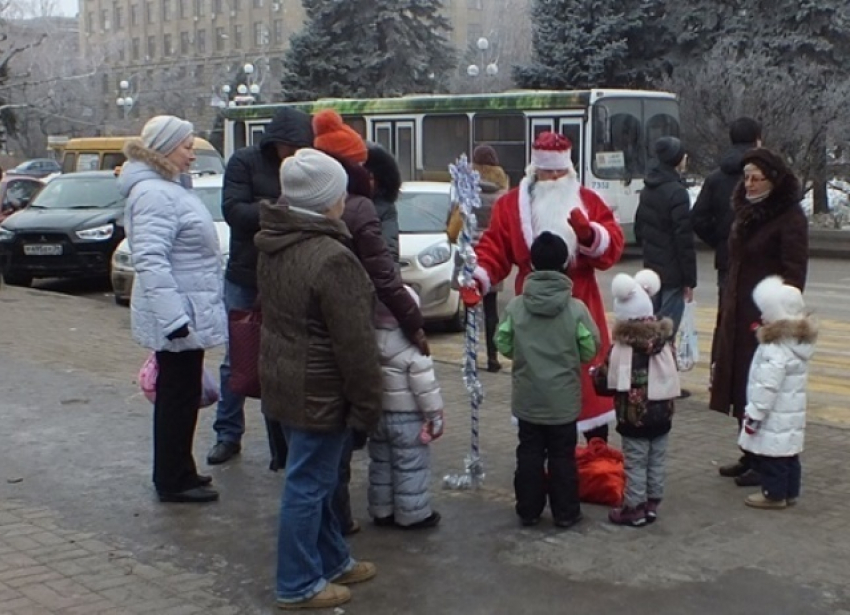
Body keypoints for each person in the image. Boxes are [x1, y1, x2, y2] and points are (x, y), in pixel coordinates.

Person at [256, 148, 382, 610]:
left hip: (286, 380)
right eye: (340, 192)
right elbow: (355, 343)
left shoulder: (275, 240)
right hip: (320, 389)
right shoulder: (332, 258)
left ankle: (331, 559)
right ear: (329, 200)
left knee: (319, 480)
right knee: (308, 485)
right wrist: (369, 404)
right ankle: (298, 582)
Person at [312, 108, 429, 535]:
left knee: (330, 446)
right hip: (351, 327)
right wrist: (413, 322)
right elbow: (384, 272)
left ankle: (346, 519)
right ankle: (331, 537)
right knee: (336, 443)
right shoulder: (359, 210)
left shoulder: (293, 209)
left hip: (313, 338)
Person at [471, 131, 625, 440]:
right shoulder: (510, 205)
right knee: (537, 381)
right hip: (532, 310)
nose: (554, 177)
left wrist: (590, 236)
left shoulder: (589, 201)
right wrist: (477, 277)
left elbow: (612, 249)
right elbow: (494, 248)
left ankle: (596, 454)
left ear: (569, 170)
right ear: (534, 169)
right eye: (547, 170)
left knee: (588, 380)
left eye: (559, 171)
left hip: (579, 306)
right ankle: (539, 458)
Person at [118, 115, 227, 503]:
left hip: (187, 310)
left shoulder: (168, 188)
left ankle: (181, 469)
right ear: (164, 149)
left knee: (182, 396)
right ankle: (171, 479)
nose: (191, 156)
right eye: (186, 147)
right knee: (175, 398)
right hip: (178, 316)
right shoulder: (154, 194)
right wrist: (175, 320)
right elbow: (150, 259)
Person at [209, 107, 314, 469]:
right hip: (245, 273)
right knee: (236, 360)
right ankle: (227, 433)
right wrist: (281, 210)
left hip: (287, 276)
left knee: (280, 361)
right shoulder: (244, 162)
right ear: (277, 143)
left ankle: (281, 446)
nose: (295, 154)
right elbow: (234, 212)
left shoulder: (304, 165)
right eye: (290, 147)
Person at [710, 147, 808, 487]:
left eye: (756, 178)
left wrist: (781, 315)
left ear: (773, 180)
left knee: (765, 386)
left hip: (766, 317)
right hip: (738, 311)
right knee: (742, 384)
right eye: (746, 177)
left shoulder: (789, 216)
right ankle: (750, 452)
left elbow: (795, 271)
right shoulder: (745, 211)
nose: (749, 184)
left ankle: (767, 463)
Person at [495, 232, 600, 528]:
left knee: (528, 453)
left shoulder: (516, 306)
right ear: (565, 265)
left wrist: (524, 355)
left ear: (532, 265)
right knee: (562, 457)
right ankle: (566, 513)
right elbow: (590, 347)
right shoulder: (576, 309)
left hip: (527, 399)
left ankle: (528, 511)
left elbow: (503, 342)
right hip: (563, 402)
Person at [592, 270, 679, 527]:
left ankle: (634, 507)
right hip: (663, 413)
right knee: (656, 460)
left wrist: (593, 375)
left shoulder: (621, 348)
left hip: (634, 416)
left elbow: (605, 382)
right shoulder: (664, 341)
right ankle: (652, 503)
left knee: (636, 463)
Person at [737, 276, 816, 510]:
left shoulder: (775, 348)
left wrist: (754, 414)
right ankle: (791, 492)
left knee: (773, 456)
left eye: (765, 312)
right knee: (790, 454)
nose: (761, 317)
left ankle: (773, 494)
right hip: (790, 413)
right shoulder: (797, 343)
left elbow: (766, 385)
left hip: (773, 414)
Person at [368, 288, 443, 530]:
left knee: (380, 464)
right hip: (408, 419)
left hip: (378, 416)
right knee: (410, 466)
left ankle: (382, 510)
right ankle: (412, 515)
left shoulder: (369, 340)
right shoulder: (414, 348)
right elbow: (425, 389)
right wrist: (435, 417)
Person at [692, 118, 762, 369]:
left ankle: (719, 370)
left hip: (727, 258)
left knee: (726, 315)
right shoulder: (764, 177)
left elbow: (698, 217)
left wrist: (720, 240)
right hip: (759, 258)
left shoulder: (716, 178)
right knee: (758, 315)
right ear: (757, 140)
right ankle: (751, 370)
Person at [447, 144, 510, 372]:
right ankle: (493, 358)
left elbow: (451, 223)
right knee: (491, 309)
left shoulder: (465, 191)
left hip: (467, 254)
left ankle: (471, 358)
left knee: (470, 307)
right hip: (491, 255)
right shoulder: (502, 195)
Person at [635, 136, 696, 335]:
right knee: (666, 330)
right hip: (673, 273)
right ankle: (663, 364)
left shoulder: (648, 189)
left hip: (652, 269)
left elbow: (639, 229)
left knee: (650, 326)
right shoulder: (677, 192)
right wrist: (689, 280)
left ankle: (648, 365)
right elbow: (684, 239)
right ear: (676, 159)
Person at [364, 142, 402, 264]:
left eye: (370, 177)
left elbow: (389, 251)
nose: (366, 182)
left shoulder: (385, 208)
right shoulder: (342, 203)